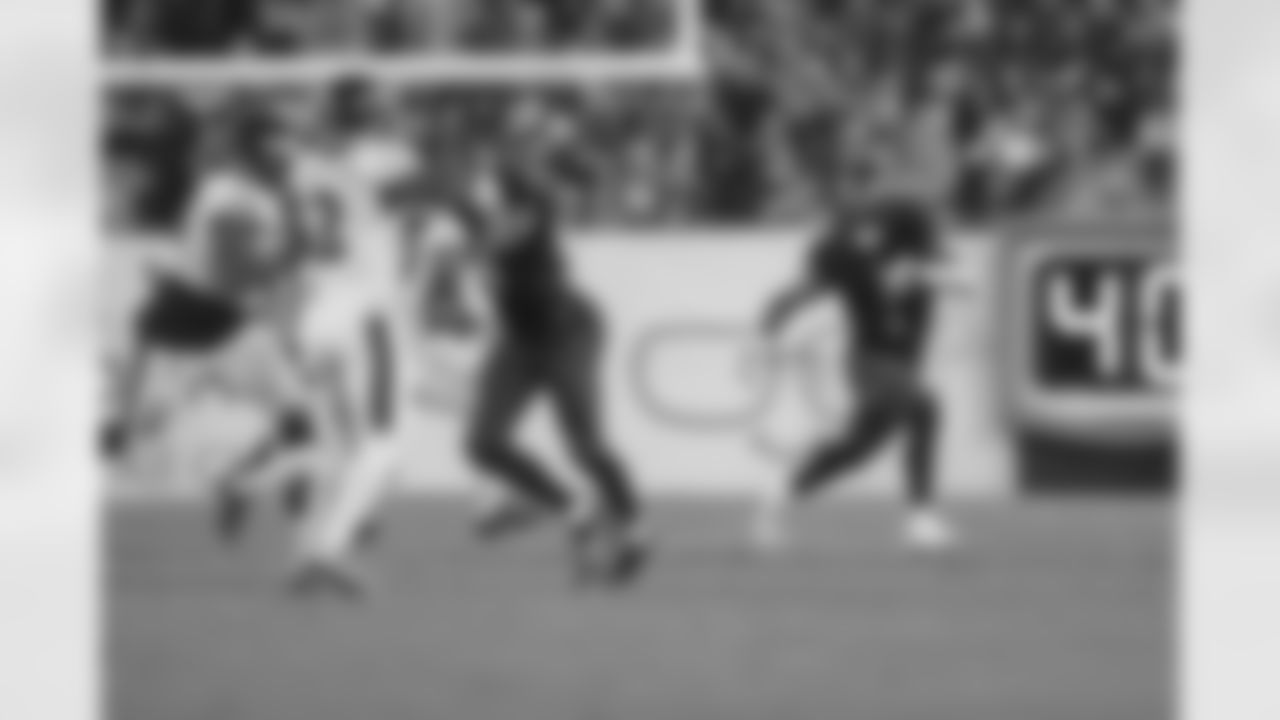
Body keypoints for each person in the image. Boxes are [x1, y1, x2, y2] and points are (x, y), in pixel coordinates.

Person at [104, 96, 319, 542]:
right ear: (256, 149)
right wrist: (291, 251)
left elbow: (258, 274)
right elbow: (230, 274)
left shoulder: (265, 193)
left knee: (298, 421)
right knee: (123, 438)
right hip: (178, 333)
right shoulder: (230, 195)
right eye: (280, 145)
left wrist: (291, 245)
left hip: (227, 326)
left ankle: (242, 486)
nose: (289, 155)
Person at [753, 157, 961, 553]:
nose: (861, 194)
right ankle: (921, 518)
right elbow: (806, 290)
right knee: (925, 408)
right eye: (853, 184)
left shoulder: (909, 236)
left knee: (857, 450)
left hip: (904, 361)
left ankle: (778, 495)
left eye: (866, 183)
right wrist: (768, 329)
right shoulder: (844, 251)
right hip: (871, 359)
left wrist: (924, 273)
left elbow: (945, 270)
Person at [461, 156, 648, 587]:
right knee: (483, 442)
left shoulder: (534, 219)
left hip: (569, 334)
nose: (495, 217)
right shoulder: (502, 222)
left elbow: (520, 215)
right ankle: (575, 508)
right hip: (520, 339)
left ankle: (634, 528)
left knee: (586, 446)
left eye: (500, 206)